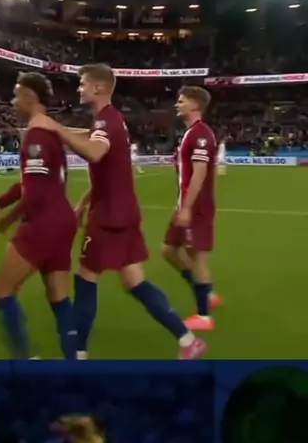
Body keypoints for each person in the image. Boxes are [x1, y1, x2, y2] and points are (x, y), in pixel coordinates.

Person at [30, 63, 206, 360]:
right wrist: (84, 202)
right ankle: (188, 340)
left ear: (98, 87)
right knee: (134, 281)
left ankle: (78, 353)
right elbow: (109, 173)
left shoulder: (105, 121)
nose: (79, 89)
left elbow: (94, 152)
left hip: (109, 217)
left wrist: (55, 127)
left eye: (83, 84)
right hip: (124, 212)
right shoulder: (111, 120)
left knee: (86, 278)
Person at [0, 72, 78, 359]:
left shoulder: (36, 136)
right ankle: (75, 361)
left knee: (3, 292)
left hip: (43, 223)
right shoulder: (50, 133)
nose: (12, 101)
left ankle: (25, 362)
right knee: (59, 297)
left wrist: (2, 224)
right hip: (63, 220)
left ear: (29, 97)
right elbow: (29, 183)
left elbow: (34, 194)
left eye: (15, 94)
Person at [162, 86, 222, 331]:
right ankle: (204, 291)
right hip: (186, 204)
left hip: (196, 207)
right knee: (168, 250)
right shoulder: (190, 133)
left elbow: (199, 174)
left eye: (181, 101)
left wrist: (187, 207)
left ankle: (204, 316)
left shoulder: (201, 134)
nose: (177, 104)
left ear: (195, 105)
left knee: (198, 259)